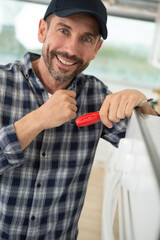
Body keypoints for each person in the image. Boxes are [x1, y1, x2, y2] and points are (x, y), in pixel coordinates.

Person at [0, 0, 157, 239]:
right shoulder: (2, 84)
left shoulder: (97, 96)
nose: (71, 50)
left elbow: (150, 146)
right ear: (43, 30)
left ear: (96, 48)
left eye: (86, 39)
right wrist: (39, 119)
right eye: (64, 31)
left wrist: (142, 101)